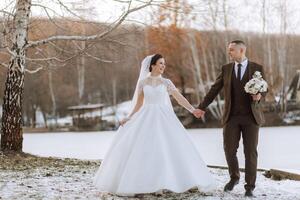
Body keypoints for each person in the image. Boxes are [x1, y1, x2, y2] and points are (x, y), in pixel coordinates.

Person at [93, 54, 216, 196]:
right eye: (160, 63)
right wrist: (128, 117)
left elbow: (179, 98)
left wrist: (193, 110)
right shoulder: (143, 82)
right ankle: (144, 182)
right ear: (152, 65)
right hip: (146, 116)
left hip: (164, 116)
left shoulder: (166, 82)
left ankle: (170, 181)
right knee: (145, 149)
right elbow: (138, 104)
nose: (163, 66)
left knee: (167, 147)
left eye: (164, 64)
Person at [193, 40, 267, 197]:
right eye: (229, 50)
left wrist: (259, 96)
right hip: (231, 117)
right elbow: (214, 89)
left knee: (250, 152)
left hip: (251, 118)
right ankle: (234, 178)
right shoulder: (226, 69)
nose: (229, 53)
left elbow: (265, 89)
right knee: (229, 149)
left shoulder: (257, 69)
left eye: (232, 50)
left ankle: (250, 186)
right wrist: (201, 107)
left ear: (241, 50)